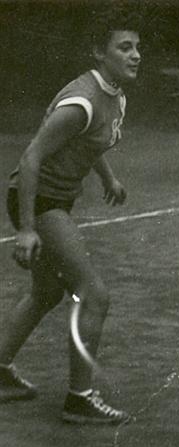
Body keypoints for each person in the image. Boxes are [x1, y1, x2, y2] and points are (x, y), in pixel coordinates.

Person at [0, 14, 140, 423]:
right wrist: (27, 229)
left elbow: (90, 143)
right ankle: (80, 398)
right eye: (124, 47)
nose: (135, 55)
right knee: (93, 295)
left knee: (46, 293)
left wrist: (109, 178)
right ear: (99, 52)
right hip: (39, 200)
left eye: (137, 47)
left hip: (55, 198)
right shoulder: (81, 101)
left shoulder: (114, 95)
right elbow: (31, 157)